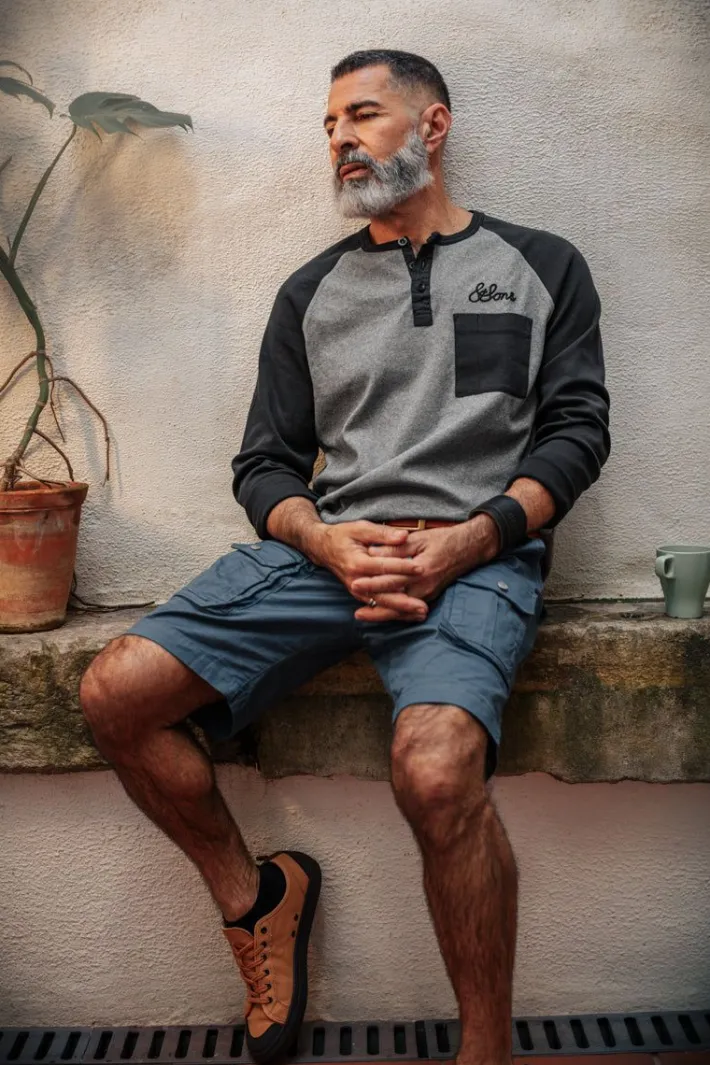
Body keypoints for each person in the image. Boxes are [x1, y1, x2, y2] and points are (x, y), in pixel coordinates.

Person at [80, 49, 610, 1065]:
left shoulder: (542, 265)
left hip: (477, 555)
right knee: (115, 693)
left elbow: (576, 434)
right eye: (328, 125)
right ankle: (256, 901)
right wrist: (322, 537)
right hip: (331, 552)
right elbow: (265, 465)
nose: (338, 140)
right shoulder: (310, 292)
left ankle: (486, 1051)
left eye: (361, 115)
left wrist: (476, 536)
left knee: (436, 770)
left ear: (432, 126)